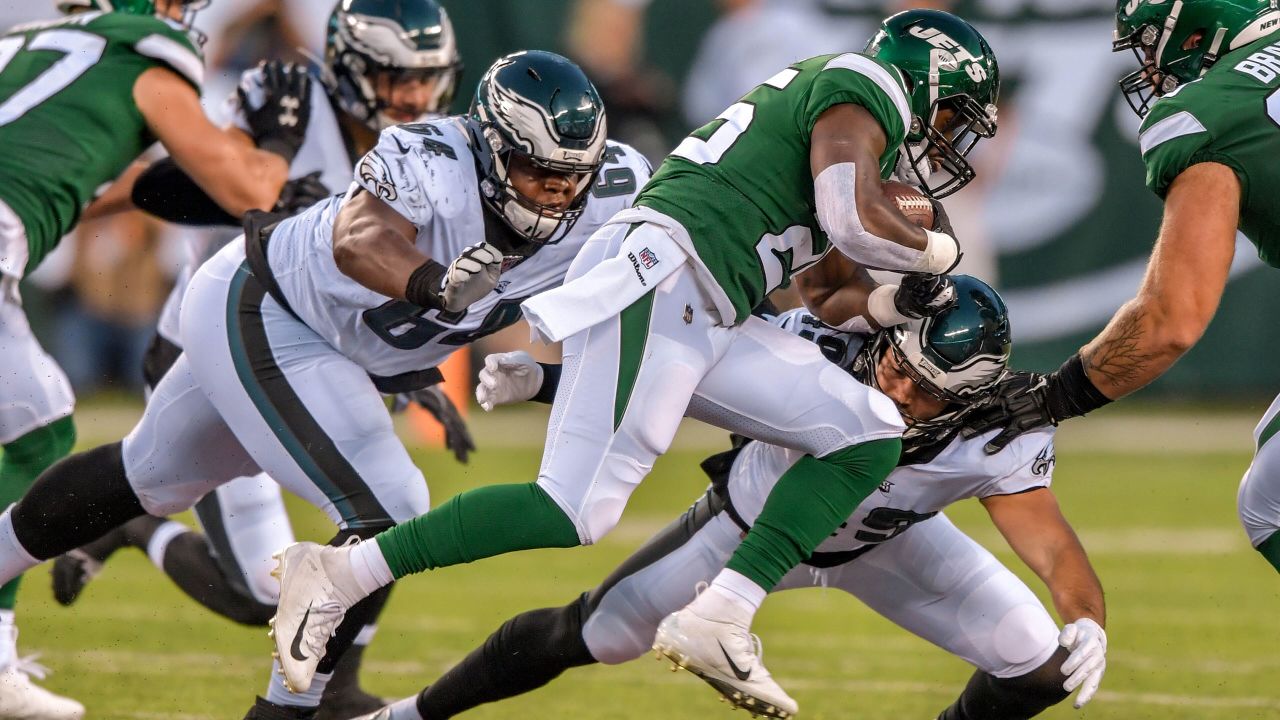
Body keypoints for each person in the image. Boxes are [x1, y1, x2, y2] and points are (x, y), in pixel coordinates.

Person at [270, 9, 1001, 717]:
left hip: (708, 303)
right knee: (571, 508)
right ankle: (339, 572)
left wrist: (893, 306)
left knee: (866, 430)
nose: (946, 142)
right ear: (926, 82)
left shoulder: (843, 128)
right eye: (952, 117)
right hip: (670, 272)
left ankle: (722, 612)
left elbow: (824, 290)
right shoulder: (862, 82)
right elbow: (850, 215)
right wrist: (935, 249)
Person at [0, 49, 651, 720]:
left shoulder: (621, 188)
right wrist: (433, 283)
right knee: (389, 505)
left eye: (572, 177)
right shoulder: (429, 154)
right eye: (537, 170)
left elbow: (670, 267)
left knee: (146, 475)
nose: (554, 192)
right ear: (491, 147)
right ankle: (288, 712)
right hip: (269, 307)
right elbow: (359, 238)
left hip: (329, 346)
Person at [355, 276, 1107, 720]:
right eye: (896, 366)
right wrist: (549, 384)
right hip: (747, 534)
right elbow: (683, 383)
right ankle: (406, 716)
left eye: (926, 390)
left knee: (1038, 660)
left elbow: (1051, 542)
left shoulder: (995, 430)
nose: (898, 389)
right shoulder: (822, 344)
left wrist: (1087, 621)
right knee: (592, 633)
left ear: (971, 396)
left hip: (884, 544)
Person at [45, 1, 463, 717]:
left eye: (426, 79)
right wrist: (270, 197)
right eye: (395, 77)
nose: (413, 98)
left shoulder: (431, 148)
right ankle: (133, 525)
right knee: (259, 597)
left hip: (324, 352)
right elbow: (172, 182)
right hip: (215, 354)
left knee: (382, 509)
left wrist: (414, 365)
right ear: (352, 67)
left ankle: (338, 684)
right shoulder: (288, 108)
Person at [0, 0, 308, 715]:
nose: (181, 15)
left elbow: (98, 188)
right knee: (36, 424)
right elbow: (251, 187)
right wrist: (280, 142)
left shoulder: (38, 43)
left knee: (35, 425)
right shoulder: (143, 48)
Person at [955, 1, 1280, 572]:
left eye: (1154, 45)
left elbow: (1169, 322)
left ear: (1200, 31)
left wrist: (1050, 399)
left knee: (1270, 503)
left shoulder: (1211, 112)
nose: (1152, 71)